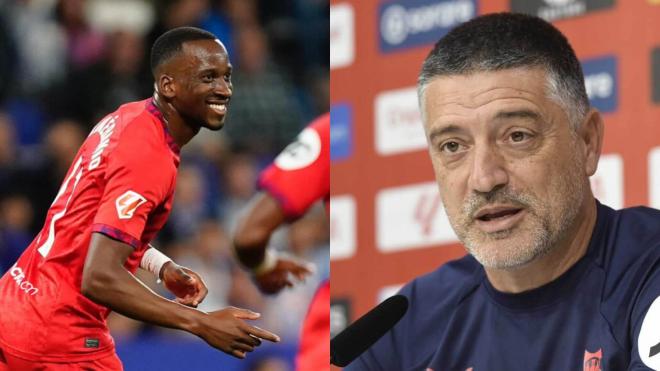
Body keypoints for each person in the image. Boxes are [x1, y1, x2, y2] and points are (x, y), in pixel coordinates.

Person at [346, 13, 660, 371]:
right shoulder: (409, 319)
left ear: (587, 142)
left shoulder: (647, 269)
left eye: (517, 136)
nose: (484, 178)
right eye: (452, 146)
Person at [0, 27, 279, 370]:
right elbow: (99, 276)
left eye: (226, 76)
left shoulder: (125, 118)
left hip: (16, 303)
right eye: (208, 77)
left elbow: (88, 219)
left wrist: (160, 266)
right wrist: (201, 323)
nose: (224, 89)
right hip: (60, 333)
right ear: (168, 86)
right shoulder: (150, 158)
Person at [233, 113, 330, 371]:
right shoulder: (442, 128)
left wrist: (264, 266)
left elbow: (248, 235)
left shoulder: (333, 128)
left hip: (344, 331)